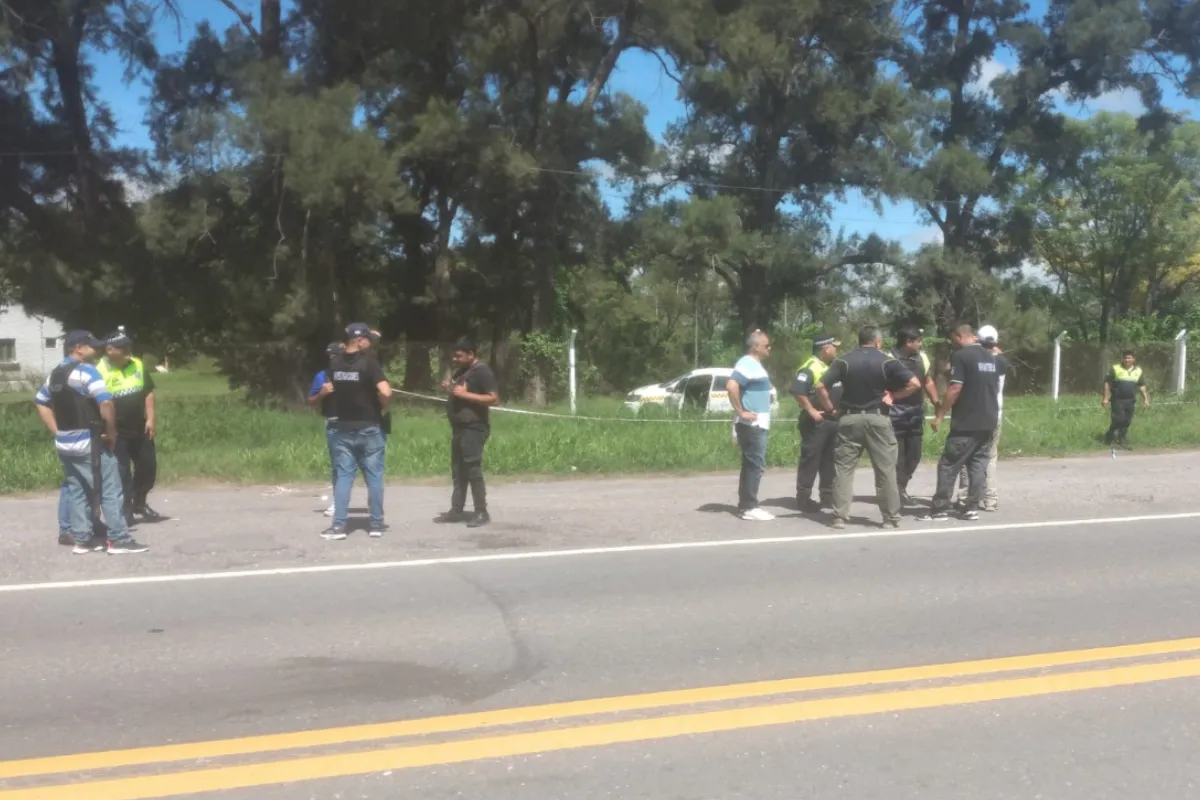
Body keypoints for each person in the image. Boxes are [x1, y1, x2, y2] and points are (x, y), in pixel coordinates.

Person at [34, 330, 148, 554]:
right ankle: (118, 539)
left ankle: (82, 539)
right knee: (110, 487)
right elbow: (106, 403)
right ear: (78, 348)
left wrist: (57, 431)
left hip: (66, 442)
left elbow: (41, 402)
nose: (96, 351)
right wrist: (111, 432)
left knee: (78, 489)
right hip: (89, 439)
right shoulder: (88, 372)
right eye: (92, 346)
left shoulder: (55, 374)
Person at [815, 325, 919, 530]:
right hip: (878, 418)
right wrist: (894, 396)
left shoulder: (844, 360)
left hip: (849, 418)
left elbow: (820, 386)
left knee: (844, 469)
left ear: (859, 340)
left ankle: (839, 517)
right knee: (885, 470)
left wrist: (830, 409)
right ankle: (890, 518)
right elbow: (915, 383)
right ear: (878, 341)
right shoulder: (886, 360)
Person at [921, 324, 1007, 521]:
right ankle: (971, 508)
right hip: (989, 420)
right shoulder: (991, 357)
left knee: (949, 464)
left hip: (967, 421)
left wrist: (940, 414)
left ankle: (939, 509)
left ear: (959, 336)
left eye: (953, 338)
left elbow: (955, 389)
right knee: (977, 465)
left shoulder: (961, 356)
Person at [321, 323, 391, 541]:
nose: (370, 341)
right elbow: (386, 392)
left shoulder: (335, 363)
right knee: (374, 477)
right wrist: (382, 404)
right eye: (367, 338)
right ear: (359, 340)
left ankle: (339, 526)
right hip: (369, 426)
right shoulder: (369, 363)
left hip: (343, 427)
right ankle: (376, 524)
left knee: (343, 477)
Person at [98, 329, 165, 525]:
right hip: (116, 430)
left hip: (140, 427)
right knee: (122, 472)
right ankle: (125, 509)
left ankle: (140, 502)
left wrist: (151, 418)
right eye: (122, 348)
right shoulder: (99, 370)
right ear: (109, 350)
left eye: (128, 346)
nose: (128, 350)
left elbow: (148, 393)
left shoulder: (137, 364)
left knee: (148, 467)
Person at [434, 338, 500, 528]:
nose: (455, 358)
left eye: (459, 355)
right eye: (454, 355)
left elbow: (494, 399)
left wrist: (464, 395)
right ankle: (457, 510)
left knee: (472, 469)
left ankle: (481, 512)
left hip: (474, 427)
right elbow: (459, 393)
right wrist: (451, 389)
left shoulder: (482, 371)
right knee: (458, 470)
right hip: (459, 428)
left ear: (471, 354)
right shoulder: (463, 371)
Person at [883, 327, 939, 506]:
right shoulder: (887, 357)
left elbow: (928, 381)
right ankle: (897, 491)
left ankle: (901, 485)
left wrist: (937, 403)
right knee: (897, 456)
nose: (920, 344)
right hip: (894, 413)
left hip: (915, 412)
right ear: (908, 342)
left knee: (914, 455)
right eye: (918, 340)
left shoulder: (922, 357)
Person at [953, 324, 1003, 511]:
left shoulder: (974, 358)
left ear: (978, 339)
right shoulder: (1000, 361)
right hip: (995, 412)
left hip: (973, 413)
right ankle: (990, 499)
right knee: (990, 458)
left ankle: (965, 497)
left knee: (967, 458)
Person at [726, 330, 774, 521]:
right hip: (752, 425)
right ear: (756, 346)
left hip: (756, 424)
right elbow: (731, 386)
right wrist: (741, 411)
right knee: (755, 465)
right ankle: (749, 507)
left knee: (750, 465)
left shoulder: (754, 365)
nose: (769, 348)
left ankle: (746, 505)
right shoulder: (747, 363)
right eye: (766, 345)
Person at [791, 332, 842, 512]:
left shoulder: (831, 366)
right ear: (825, 348)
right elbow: (798, 391)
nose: (836, 349)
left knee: (830, 460)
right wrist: (812, 411)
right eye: (834, 346)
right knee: (811, 460)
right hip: (817, 422)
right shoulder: (810, 367)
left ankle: (827, 497)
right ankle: (803, 499)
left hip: (833, 421)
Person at [308, 341, 345, 517]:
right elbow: (311, 401)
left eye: (337, 355)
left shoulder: (354, 373)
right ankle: (338, 503)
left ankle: (374, 505)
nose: (333, 359)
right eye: (331, 356)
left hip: (357, 423)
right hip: (333, 423)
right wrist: (322, 393)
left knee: (367, 466)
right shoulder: (322, 376)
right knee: (338, 466)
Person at [1103, 350, 1150, 449]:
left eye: (1129, 358)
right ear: (1122, 359)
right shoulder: (1116, 368)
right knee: (1118, 419)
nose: (1127, 360)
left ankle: (1122, 440)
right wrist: (1106, 398)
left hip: (1130, 400)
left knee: (1127, 421)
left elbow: (1141, 386)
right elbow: (1107, 383)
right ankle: (1110, 433)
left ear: (1134, 359)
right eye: (1125, 358)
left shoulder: (1138, 371)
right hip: (1117, 399)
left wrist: (1146, 399)